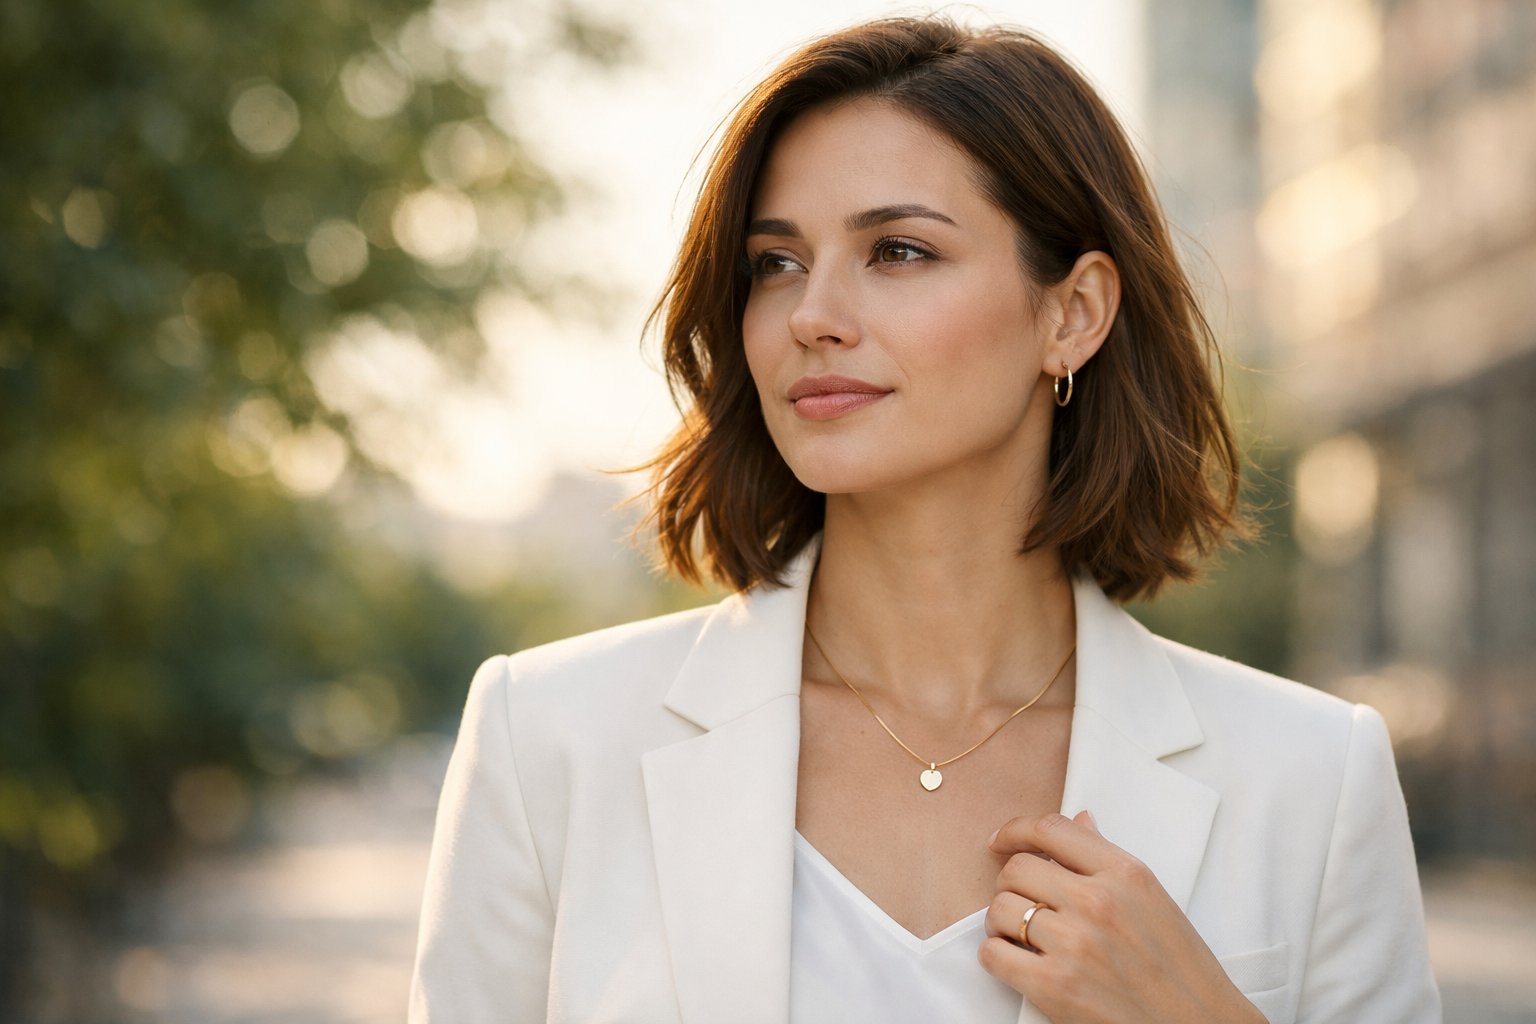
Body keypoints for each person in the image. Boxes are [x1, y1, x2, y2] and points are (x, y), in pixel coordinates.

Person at [408, 15, 1440, 1024]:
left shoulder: (1311, 775)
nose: (813, 313)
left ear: (1072, 312)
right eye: (776, 262)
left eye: (897, 251)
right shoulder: (548, 736)